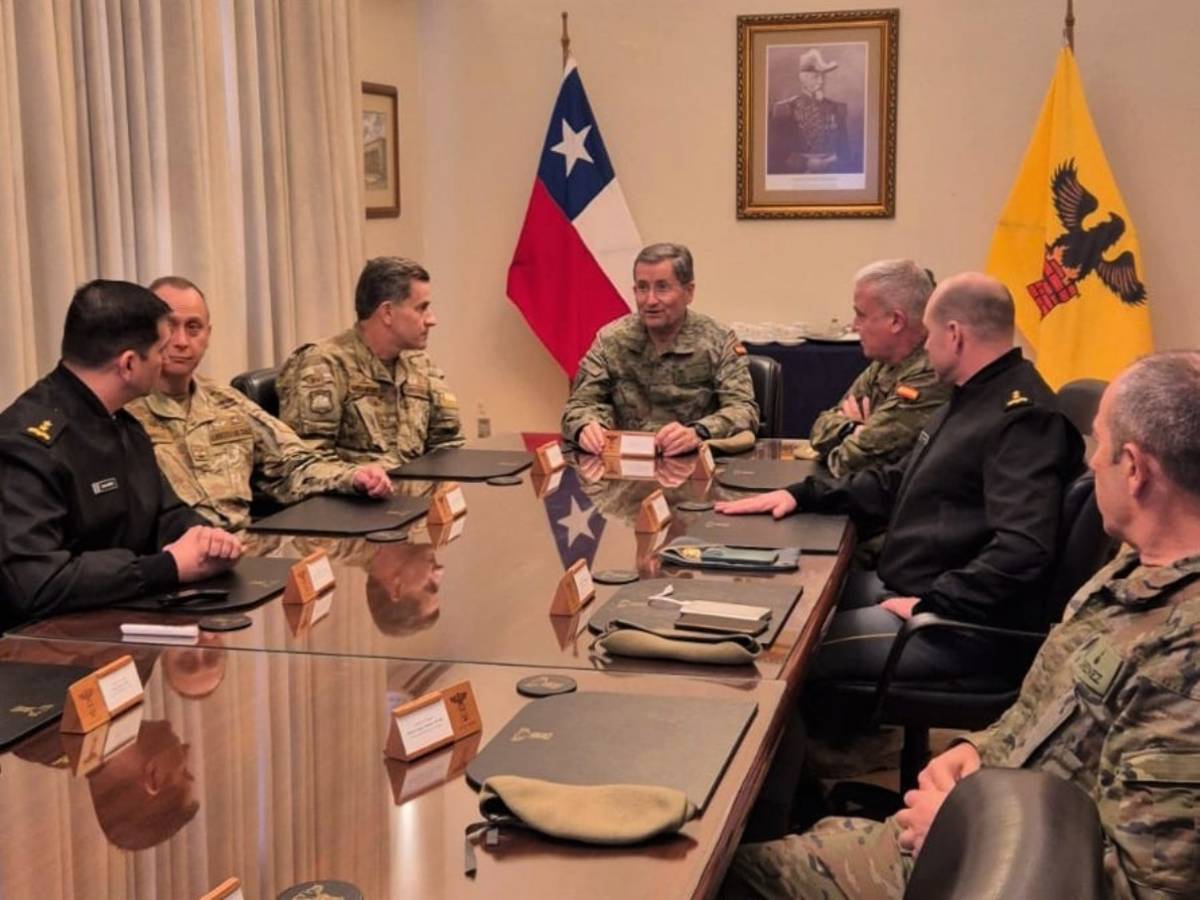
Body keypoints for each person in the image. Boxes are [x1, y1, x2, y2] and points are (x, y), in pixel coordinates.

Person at [723, 351, 1200, 899]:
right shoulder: (1134, 570)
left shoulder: (1184, 659)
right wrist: (977, 749)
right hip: (988, 817)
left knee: (723, 878)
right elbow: (1048, 713)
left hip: (988, 865)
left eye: (1101, 444)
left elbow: (1148, 889)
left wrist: (968, 830)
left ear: (1135, 469)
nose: (1091, 463)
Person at [716, 273, 1083, 682]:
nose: (925, 346)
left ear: (954, 335)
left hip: (959, 626)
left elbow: (1023, 548)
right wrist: (802, 495)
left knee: (786, 658)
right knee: (791, 606)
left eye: (929, 333)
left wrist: (935, 604)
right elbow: (896, 481)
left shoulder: (1023, 419)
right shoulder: (976, 396)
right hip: (919, 585)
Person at [0, 280, 242, 630]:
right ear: (128, 364)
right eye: (160, 350)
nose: (166, 359)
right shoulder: (27, 445)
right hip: (50, 644)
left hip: (123, 617)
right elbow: (37, 583)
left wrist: (205, 538)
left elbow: (163, 512)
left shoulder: (122, 422)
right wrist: (167, 566)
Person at [127, 276, 392, 531]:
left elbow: (293, 465)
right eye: (170, 327)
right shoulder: (124, 413)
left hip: (246, 547)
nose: (182, 341)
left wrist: (353, 477)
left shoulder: (227, 402)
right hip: (176, 555)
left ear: (208, 334)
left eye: (193, 327)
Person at [562, 242, 759, 457]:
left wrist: (699, 432)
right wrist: (585, 427)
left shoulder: (719, 340)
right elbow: (579, 405)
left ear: (689, 292)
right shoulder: (611, 340)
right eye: (642, 288)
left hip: (694, 462)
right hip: (624, 464)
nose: (650, 300)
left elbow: (744, 410)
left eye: (662, 287)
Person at [276, 257, 464, 469]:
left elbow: (448, 445)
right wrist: (360, 478)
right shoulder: (323, 364)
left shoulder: (420, 364)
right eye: (421, 308)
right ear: (388, 313)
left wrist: (447, 484)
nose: (431, 320)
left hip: (418, 487)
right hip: (356, 489)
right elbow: (304, 463)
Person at [804, 260, 950, 477]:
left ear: (896, 321)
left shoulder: (931, 373)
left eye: (861, 315)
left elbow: (848, 462)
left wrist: (858, 434)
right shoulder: (884, 363)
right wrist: (853, 429)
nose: (854, 325)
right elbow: (819, 428)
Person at [768, 48, 854, 175]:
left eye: (822, 76)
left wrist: (831, 164)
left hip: (832, 176)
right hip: (797, 177)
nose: (821, 81)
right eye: (815, 77)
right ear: (803, 78)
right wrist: (806, 163)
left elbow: (845, 153)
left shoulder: (836, 108)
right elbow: (776, 155)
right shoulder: (784, 109)